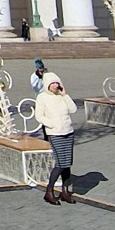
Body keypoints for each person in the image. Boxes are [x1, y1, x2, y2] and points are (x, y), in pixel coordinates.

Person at [34, 76, 78, 205]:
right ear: (47, 84)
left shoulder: (61, 96)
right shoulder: (42, 97)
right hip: (55, 133)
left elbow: (73, 110)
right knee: (60, 164)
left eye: (57, 82)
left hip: (68, 132)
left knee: (67, 163)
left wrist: (65, 95)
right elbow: (39, 116)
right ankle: (49, 191)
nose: (55, 85)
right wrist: (51, 124)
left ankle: (65, 191)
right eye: (52, 83)